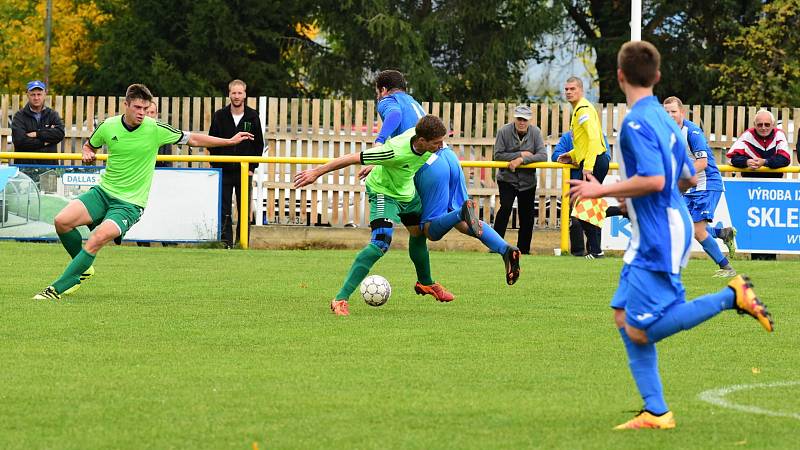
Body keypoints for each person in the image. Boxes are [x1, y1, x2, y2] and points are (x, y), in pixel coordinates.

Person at [569, 40, 773, 430]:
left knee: (640, 329)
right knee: (622, 315)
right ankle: (656, 412)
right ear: (657, 76)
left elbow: (658, 178)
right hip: (658, 225)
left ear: (619, 76)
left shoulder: (636, 122)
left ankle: (731, 296)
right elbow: (687, 175)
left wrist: (603, 190)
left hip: (660, 232)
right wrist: (644, 201)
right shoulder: (668, 120)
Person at [32, 84, 254, 300]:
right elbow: (91, 145)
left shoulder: (155, 129)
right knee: (61, 221)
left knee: (96, 238)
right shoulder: (108, 126)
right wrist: (86, 151)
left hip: (129, 204)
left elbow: (193, 138)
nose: (142, 113)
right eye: (137, 108)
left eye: (146, 109)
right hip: (102, 192)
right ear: (126, 105)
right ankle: (83, 268)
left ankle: (57, 288)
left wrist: (229, 141)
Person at [294, 115, 463, 316]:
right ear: (422, 141)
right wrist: (317, 172)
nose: (442, 146)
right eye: (437, 143)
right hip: (383, 192)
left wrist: (379, 163)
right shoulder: (393, 151)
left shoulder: (425, 138)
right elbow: (351, 158)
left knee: (418, 233)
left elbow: (408, 161)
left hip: (406, 193)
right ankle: (340, 299)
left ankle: (425, 283)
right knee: (381, 242)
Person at [370, 69, 521, 285]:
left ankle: (460, 215)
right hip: (449, 158)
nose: (378, 97)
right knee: (461, 223)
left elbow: (393, 115)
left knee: (427, 230)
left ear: (383, 89)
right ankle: (505, 249)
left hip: (429, 162)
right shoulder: (413, 102)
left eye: (378, 92)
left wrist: (379, 142)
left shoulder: (388, 100)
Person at [662, 96, 737, 276]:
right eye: (666, 112)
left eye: (673, 111)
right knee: (682, 225)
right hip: (690, 186)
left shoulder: (692, 132)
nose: (670, 115)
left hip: (707, 183)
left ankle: (727, 268)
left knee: (696, 230)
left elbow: (702, 163)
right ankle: (722, 233)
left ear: (682, 112)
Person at [558, 77, 612, 259]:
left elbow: (594, 140)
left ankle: (596, 251)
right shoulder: (579, 109)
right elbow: (584, 142)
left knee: (581, 209)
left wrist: (587, 167)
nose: (568, 92)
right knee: (587, 207)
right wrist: (571, 155)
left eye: (572, 88)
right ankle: (597, 251)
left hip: (594, 161)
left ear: (581, 90)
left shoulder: (583, 109)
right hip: (594, 160)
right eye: (566, 89)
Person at [726, 109, 790, 261]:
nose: (763, 127)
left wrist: (765, 162)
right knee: (753, 224)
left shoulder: (779, 135)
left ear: (773, 125)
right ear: (754, 125)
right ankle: (755, 257)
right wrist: (747, 161)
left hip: (774, 187)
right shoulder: (748, 135)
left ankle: (770, 257)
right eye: (759, 124)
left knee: (772, 224)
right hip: (751, 186)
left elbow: (785, 158)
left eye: (767, 124)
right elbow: (733, 157)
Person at [208, 79, 265, 249]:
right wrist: (214, 164)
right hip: (224, 169)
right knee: (224, 208)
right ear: (229, 94)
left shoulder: (253, 116)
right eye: (234, 93)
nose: (237, 96)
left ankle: (242, 243)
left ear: (245, 94)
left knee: (244, 208)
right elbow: (212, 141)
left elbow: (258, 145)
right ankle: (226, 243)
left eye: (240, 93)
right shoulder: (220, 115)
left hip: (244, 170)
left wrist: (252, 168)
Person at [492, 105, 547, 255]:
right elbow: (497, 155)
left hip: (528, 182)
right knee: (505, 209)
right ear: (514, 119)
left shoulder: (535, 132)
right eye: (519, 119)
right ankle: (496, 246)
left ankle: (524, 249)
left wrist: (521, 160)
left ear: (529, 120)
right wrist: (521, 154)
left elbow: (543, 155)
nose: (522, 122)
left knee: (527, 215)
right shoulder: (504, 131)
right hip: (507, 179)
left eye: (525, 119)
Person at [551, 130, 616, 256]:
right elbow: (556, 156)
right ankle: (579, 253)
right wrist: (572, 159)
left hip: (592, 184)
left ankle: (594, 251)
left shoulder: (597, 135)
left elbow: (606, 156)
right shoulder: (567, 137)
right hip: (576, 186)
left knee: (592, 218)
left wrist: (583, 161)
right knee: (578, 220)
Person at [137, 101, 174, 248]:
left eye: (152, 112)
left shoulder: (162, 132)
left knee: (161, 209)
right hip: (141, 177)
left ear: (156, 114)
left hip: (159, 176)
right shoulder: (136, 132)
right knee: (142, 209)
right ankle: (143, 240)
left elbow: (169, 160)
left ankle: (166, 240)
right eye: (147, 112)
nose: (149, 115)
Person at [11, 80, 65, 167]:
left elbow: (60, 134)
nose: (36, 98)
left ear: (44, 94)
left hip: (49, 168)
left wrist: (37, 134)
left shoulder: (52, 114)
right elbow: (20, 141)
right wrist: (45, 142)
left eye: (39, 94)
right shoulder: (19, 116)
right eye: (33, 94)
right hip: (25, 169)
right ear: (27, 95)